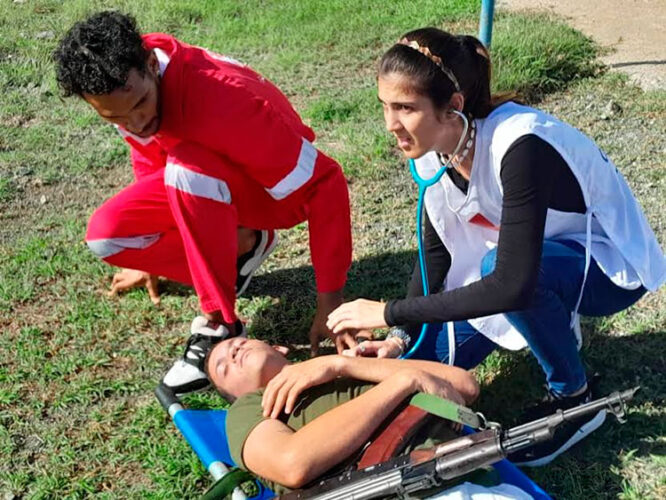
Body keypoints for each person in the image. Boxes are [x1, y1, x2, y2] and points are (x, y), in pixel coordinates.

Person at [326, 28, 666, 466]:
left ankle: (575, 400)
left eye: (405, 108)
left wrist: (388, 311)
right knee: (414, 364)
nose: (390, 124)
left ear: (453, 106)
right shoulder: (433, 148)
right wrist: (398, 336)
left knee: (508, 276)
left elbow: (510, 285)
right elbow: (436, 257)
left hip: (604, 266)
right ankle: (552, 321)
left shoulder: (521, 145)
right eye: (385, 106)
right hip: (523, 259)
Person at [53, 11, 355, 394]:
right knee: (107, 236)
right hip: (209, 180)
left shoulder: (222, 102)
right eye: (114, 117)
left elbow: (326, 183)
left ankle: (220, 322)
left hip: (272, 193)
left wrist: (332, 300)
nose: (136, 122)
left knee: (185, 169)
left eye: (141, 103)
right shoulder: (123, 81)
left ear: (152, 65)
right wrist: (153, 254)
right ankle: (244, 245)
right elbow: (150, 156)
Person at [206, 335, 479, 494]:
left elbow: (464, 385)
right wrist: (403, 381)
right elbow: (292, 464)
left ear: (279, 349)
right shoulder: (246, 410)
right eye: (223, 367)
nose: (234, 352)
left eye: (240, 342)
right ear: (234, 396)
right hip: (400, 488)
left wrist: (341, 364)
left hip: (466, 470)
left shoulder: (343, 368)